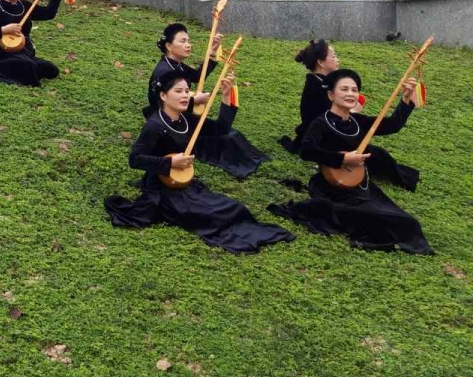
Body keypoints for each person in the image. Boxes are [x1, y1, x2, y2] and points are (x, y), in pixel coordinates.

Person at [104, 70, 295, 254]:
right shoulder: (154, 125)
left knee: (233, 207)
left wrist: (225, 96)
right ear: (163, 95)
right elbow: (135, 159)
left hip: (185, 182)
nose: (185, 95)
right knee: (209, 215)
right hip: (161, 187)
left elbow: (220, 129)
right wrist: (170, 163)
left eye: (187, 91)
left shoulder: (186, 119)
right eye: (178, 91)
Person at [269, 69, 430, 254]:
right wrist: (343, 158)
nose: (350, 94)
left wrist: (406, 99)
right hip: (331, 188)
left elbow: (392, 125)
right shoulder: (321, 123)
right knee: (378, 219)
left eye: (354, 90)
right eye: (344, 89)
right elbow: (306, 151)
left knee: (407, 221)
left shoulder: (358, 121)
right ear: (331, 95)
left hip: (361, 187)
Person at [144, 23, 267, 179]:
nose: (188, 45)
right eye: (182, 41)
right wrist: (193, 101)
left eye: (188, 41)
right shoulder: (164, 71)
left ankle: (226, 98)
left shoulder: (176, 65)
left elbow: (196, 76)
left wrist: (213, 51)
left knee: (225, 131)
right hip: (169, 121)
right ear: (169, 46)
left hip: (179, 114)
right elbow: (159, 103)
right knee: (223, 134)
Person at [280, 39, 339, 154]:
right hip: (319, 137)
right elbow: (323, 117)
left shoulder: (320, 82)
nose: (337, 59)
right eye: (333, 56)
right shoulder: (317, 85)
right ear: (321, 62)